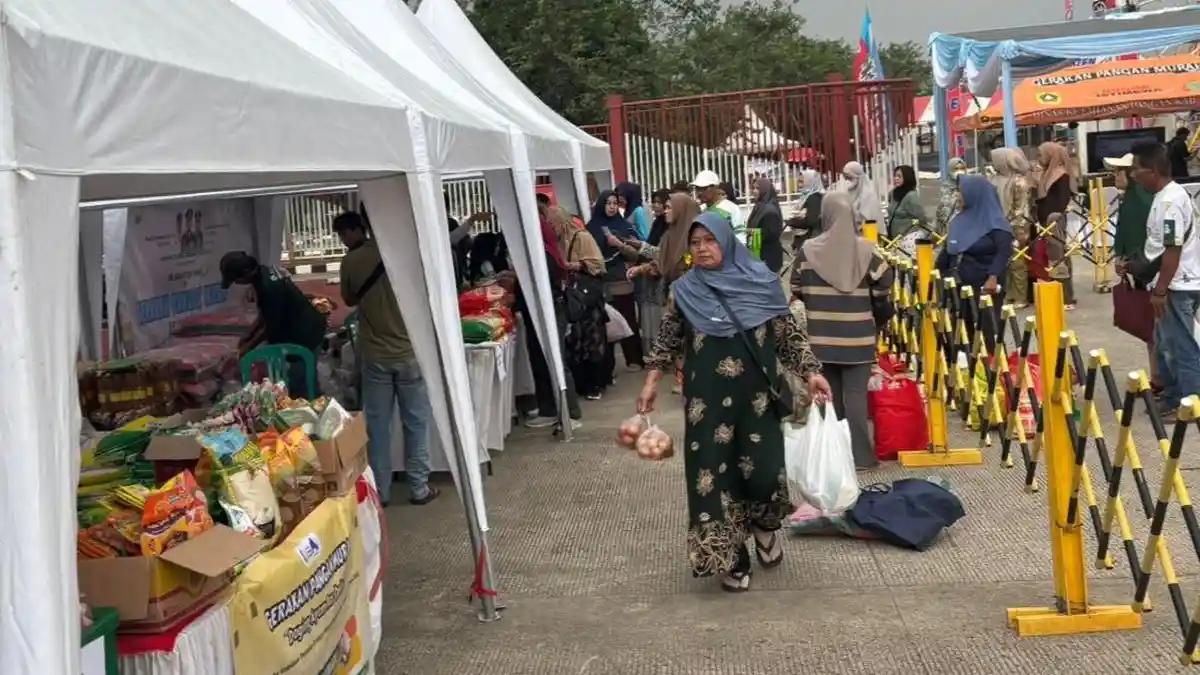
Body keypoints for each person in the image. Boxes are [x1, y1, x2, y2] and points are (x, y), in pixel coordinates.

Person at [637, 211, 830, 592]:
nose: (703, 249)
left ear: (726, 241)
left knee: (760, 472)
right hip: (705, 405)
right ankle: (732, 557)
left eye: (710, 241)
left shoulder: (761, 283)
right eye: (696, 243)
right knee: (712, 478)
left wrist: (811, 372)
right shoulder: (685, 290)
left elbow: (787, 336)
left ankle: (763, 528)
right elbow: (668, 337)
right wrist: (651, 381)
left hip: (756, 401)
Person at [331, 212, 437, 507]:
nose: (343, 241)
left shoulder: (351, 261)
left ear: (359, 227)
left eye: (343, 235)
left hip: (375, 354)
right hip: (410, 352)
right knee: (416, 421)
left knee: (377, 427)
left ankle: (382, 492)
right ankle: (419, 487)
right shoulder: (406, 252)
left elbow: (349, 299)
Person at [792, 192, 895, 470]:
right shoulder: (866, 250)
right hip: (859, 337)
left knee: (831, 397)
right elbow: (886, 281)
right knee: (856, 397)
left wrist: (820, 301)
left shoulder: (808, 250)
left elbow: (796, 287)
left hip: (821, 336)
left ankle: (836, 457)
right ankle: (862, 456)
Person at [1131, 141, 1200, 422]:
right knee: (1166, 345)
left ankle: (1191, 402)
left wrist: (1161, 290)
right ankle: (1173, 396)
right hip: (1170, 283)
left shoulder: (1170, 201)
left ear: (1154, 170)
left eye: (1137, 169)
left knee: (1182, 347)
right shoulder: (1163, 197)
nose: (1134, 175)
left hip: (1176, 286)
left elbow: (1173, 250)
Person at [220, 251, 327, 395]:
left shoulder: (269, 287)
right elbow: (266, 314)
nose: (237, 284)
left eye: (235, 280)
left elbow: (270, 327)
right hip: (303, 327)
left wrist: (246, 349)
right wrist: (248, 334)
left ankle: (313, 409)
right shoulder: (263, 273)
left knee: (301, 384)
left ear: (245, 274)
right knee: (303, 379)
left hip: (305, 334)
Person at [627, 193, 699, 395]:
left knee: (693, 341)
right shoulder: (670, 236)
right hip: (673, 295)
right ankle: (682, 379)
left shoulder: (697, 236)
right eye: (664, 206)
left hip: (695, 298)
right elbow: (662, 262)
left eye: (669, 207)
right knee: (677, 339)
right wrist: (642, 269)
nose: (665, 210)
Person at [936, 175, 1014, 344]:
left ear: (974, 193)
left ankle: (986, 366)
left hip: (984, 287)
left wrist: (992, 277)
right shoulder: (958, 221)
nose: (958, 196)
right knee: (960, 331)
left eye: (961, 192)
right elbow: (949, 250)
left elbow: (1003, 253)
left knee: (984, 332)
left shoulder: (996, 224)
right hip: (957, 285)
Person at [1107, 153, 1160, 394]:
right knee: (1152, 329)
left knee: (1158, 329)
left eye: (1119, 171)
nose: (1114, 176)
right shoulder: (1130, 198)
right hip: (1141, 270)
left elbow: (1145, 238)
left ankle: (1162, 380)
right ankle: (1157, 378)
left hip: (1151, 272)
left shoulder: (1140, 199)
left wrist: (1128, 261)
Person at [551, 206, 609, 401]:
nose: (552, 227)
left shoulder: (581, 237)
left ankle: (594, 384)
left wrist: (574, 265)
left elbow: (598, 264)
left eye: (554, 223)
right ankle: (582, 384)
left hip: (588, 298)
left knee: (592, 340)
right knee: (575, 341)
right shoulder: (556, 242)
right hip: (573, 299)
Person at [588, 190, 645, 382]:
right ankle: (607, 366)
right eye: (608, 203)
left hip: (621, 281)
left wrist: (619, 244)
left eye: (615, 203)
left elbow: (637, 254)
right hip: (600, 283)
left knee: (628, 319)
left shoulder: (624, 226)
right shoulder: (592, 228)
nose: (612, 207)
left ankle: (634, 359)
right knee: (606, 323)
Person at [990, 148, 1035, 308]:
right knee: (1004, 262)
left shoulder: (1018, 182)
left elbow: (1021, 209)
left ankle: (1020, 297)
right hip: (998, 226)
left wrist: (1020, 231)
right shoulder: (996, 179)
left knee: (1017, 263)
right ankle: (1009, 295)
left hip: (1015, 227)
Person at [1036, 142, 1077, 308]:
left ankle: (1066, 297)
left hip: (1054, 222)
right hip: (1047, 222)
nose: (1039, 158)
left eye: (1041, 154)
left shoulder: (1061, 176)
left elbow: (1060, 203)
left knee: (1058, 259)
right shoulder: (1049, 173)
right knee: (1055, 258)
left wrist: (1051, 220)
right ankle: (1058, 293)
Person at [691, 170, 746, 242]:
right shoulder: (700, 210)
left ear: (716, 187)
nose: (699, 193)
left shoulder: (731, 209)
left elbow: (740, 236)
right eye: (697, 188)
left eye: (704, 188)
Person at [746, 177, 785, 273]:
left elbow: (771, 234)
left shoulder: (770, 210)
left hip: (768, 258)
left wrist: (753, 235)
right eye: (753, 188)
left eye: (758, 188)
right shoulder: (759, 206)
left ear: (765, 190)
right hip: (758, 254)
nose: (754, 191)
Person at [887, 165, 927, 255]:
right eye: (895, 176)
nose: (896, 178)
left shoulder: (911, 196)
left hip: (907, 239)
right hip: (893, 239)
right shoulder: (892, 193)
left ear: (907, 177)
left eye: (899, 176)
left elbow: (922, 218)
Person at [788, 169, 826, 251]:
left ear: (810, 181)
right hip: (809, 237)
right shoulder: (808, 195)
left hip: (811, 238)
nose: (800, 184)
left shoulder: (814, 197)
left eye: (803, 181)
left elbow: (812, 220)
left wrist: (795, 221)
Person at [840, 161, 885, 227]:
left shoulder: (868, 194)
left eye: (849, 177)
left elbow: (868, 218)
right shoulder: (849, 192)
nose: (847, 181)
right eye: (845, 177)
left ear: (857, 177)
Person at [935, 157, 969, 238]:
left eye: (962, 168)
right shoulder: (945, 189)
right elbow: (941, 213)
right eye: (956, 169)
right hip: (948, 231)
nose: (959, 171)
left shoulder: (970, 186)